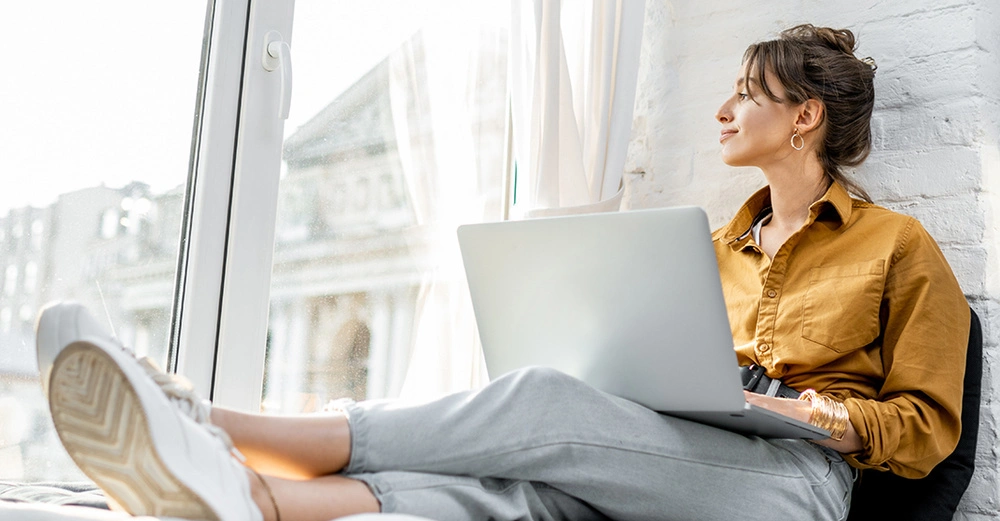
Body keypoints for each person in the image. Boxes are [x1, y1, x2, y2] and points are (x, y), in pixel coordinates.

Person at [36, 24, 969, 521]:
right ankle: (256, 500)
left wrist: (791, 410)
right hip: (680, 453)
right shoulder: (708, 250)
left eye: (746, 93)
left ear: (804, 117)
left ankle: (204, 420)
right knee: (522, 497)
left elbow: (926, 434)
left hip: (792, 484)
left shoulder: (898, 248)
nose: (723, 109)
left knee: (538, 404)